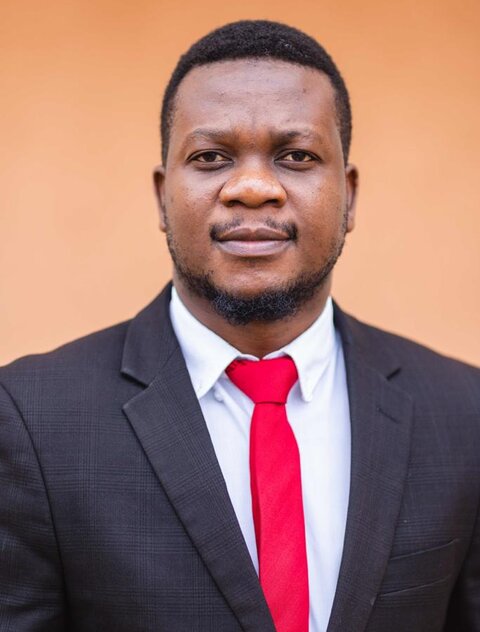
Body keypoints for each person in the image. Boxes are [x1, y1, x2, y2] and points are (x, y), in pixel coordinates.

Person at [0, 19, 478, 632]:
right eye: (210, 157)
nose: (253, 188)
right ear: (161, 197)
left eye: (297, 156)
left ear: (350, 196)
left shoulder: (464, 416)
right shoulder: (31, 422)